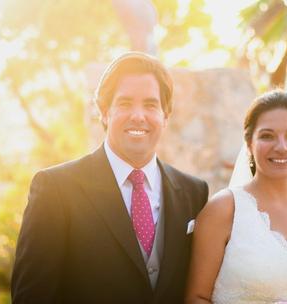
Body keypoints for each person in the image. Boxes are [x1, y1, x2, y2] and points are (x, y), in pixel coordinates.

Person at [11, 52, 209, 304]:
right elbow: (32, 297)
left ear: (165, 116)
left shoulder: (194, 192)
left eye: (150, 105)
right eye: (125, 103)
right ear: (104, 112)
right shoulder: (55, 189)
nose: (138, 115)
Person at [186, 90, 287, 304]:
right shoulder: (223, 211)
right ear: (250, 144)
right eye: (267, 136)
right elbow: (196, 298)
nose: (281, 146)